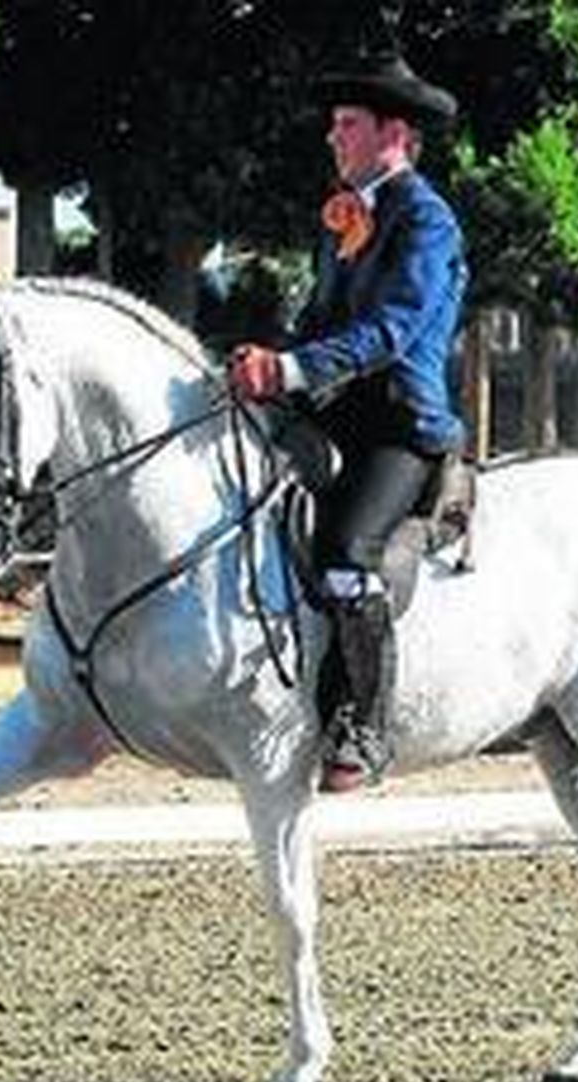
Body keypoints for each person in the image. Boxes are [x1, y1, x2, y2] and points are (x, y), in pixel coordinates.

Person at [228, 50, 467, 792]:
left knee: (343, 552)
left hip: (400, 426)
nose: (333, 136)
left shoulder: (426, 219)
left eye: (347, 124)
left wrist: (291, 370)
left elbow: (390, 331)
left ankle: (364, 726)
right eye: (334, 124)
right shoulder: (344, 218)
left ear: (393, 134)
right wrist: (268, 361)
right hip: (336, 414)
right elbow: (319, 321)